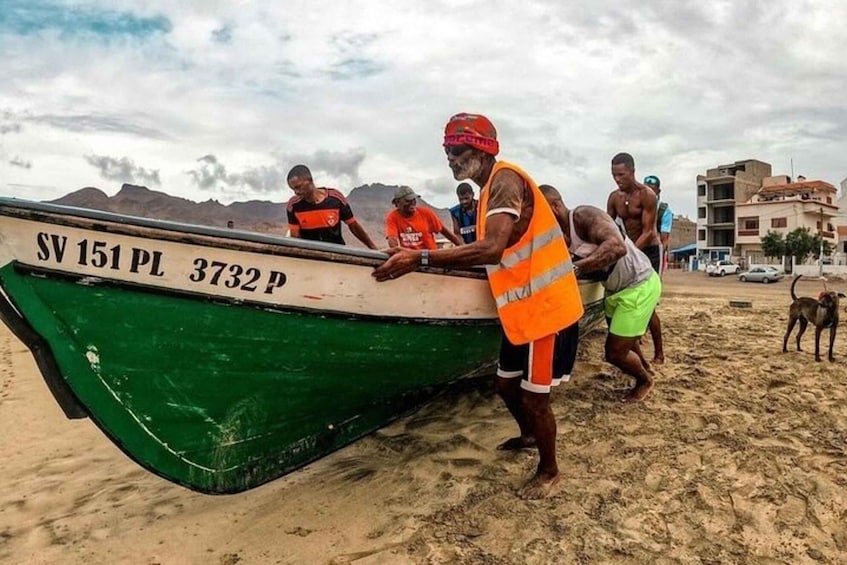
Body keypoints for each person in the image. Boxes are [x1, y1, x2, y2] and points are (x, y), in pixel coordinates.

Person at [373, 113, 583, 498]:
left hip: (545, 309)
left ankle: (550, 470)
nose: (451, 159)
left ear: (482, 149)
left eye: (458, 150)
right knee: (504, 386)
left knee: (537, 399)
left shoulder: (504, 181)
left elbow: (492, 248)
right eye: (448, 152)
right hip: (520, 309)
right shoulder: (488, 190)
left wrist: (419, 259)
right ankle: (528, 436)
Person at [540, 184, 660, 402]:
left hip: (638, 284)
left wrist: (575, 268)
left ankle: (645, 380)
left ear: (555, 206)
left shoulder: (583, 216)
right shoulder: (558, 236)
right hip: (614, 290)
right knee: (626, 340)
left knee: (614, 353)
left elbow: (616, 247)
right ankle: (644, 366)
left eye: (540, 212)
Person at [606, 153, 665, 365]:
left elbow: (649, 231)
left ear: (632, 171)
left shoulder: (648, 195)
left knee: (647, 305)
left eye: (621, 174)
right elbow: (608, 227)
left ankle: (659, 352)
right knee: (625, 299)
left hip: (647, 251)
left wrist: (627, 251)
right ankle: (636, 353)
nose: (617, 179)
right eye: (614, 175)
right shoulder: (614, 197)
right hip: (628, 250)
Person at [286, 165, 378, 249]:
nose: (296, 192)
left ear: (310, 180)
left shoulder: (335, 198)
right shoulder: (293, 205)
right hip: (311, 256)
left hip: (336, 253)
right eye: (293, 189)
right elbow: (295, 238)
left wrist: (373, 248)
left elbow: (353, 225)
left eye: (298, 187)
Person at [384, 186, 463, 250]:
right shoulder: (392, 217)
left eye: (413, 199)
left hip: (430, 258)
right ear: (397, 203)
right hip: (410, 260)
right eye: (408, 200)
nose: (412, 202)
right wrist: (396, 252)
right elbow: (392, 240)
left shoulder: (426, 213)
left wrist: (463, 248)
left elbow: (446, 232)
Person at [643, 175, 673, 274]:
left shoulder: (664, 211)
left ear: (658, 192)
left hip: (654, 250)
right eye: (645, 189)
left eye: (651, 190)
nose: (648, 193)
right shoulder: (637, 206)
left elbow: (664, 240)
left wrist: (658, 258)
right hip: (637, 248)